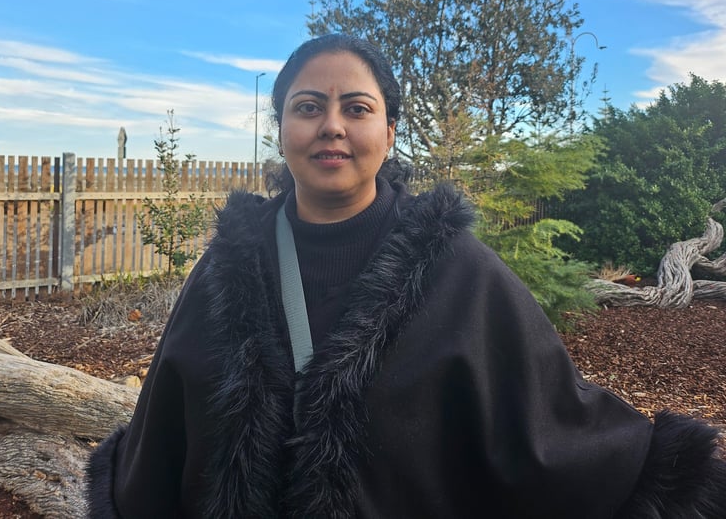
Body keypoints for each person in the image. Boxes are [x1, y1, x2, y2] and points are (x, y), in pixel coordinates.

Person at [87, 33, 726, 518]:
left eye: (356, 108)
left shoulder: (460, 272)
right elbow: (164, 441)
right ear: (281, 130)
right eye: (308, 106)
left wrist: (667, 476)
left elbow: (552, 432)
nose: (331, 125)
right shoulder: (226, 270)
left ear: (388, 133)